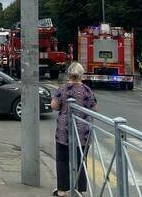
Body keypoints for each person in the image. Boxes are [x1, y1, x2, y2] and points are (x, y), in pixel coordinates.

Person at [51, 61, 97, 197]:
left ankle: (62, 191)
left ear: (69, 74)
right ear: (81, 75)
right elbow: (94, 108)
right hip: (83, 132)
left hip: (64, 131)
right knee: (81, 161)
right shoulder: (87, 90)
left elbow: (54, 105)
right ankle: (80, 190)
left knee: (62, 159)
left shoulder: (62, 89)